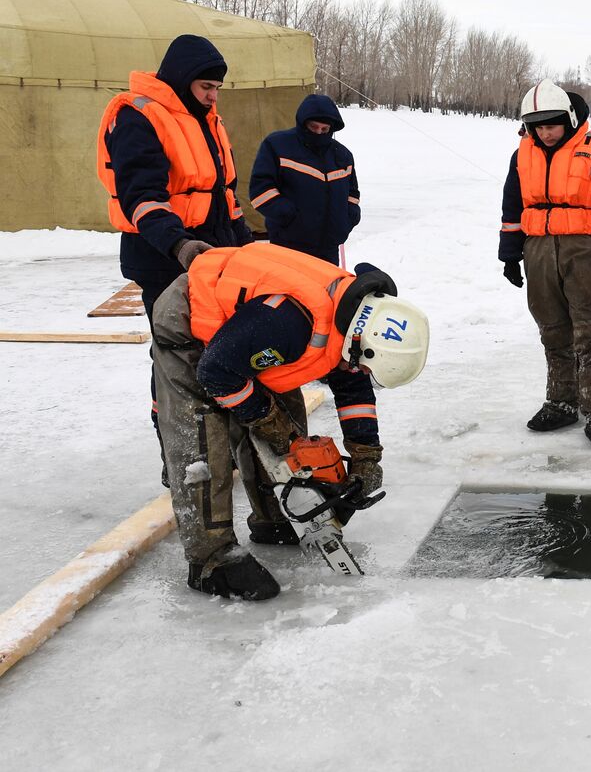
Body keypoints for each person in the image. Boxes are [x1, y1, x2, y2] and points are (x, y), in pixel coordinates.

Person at [149, 243, 429, 600]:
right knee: (206, 441)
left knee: (287, 419)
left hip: (248, 333)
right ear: (363, 346)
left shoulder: (356, 322)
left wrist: (365, 456)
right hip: (192, 322)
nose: (360, 373)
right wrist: (266, 419)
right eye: (364, 366)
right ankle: (210, 561)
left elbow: (352, 386)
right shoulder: (290, 321)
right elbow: (216, 372)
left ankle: (274, 519)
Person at [97, 34, 255, 481]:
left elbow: (224, 195)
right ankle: (178, 454)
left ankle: (221, 440)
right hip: (166, 259)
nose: (213, 95)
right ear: (184, 80)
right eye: (207, 86)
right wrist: (179, 245)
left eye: (217, 89)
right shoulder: (138, 117)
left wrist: (243, 246)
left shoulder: (206, 119)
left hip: (214, 259)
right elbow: (142, 197)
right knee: (175, 361)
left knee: (219, 353)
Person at [499, 80, 591, 449]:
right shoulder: (521, 154)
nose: (545, 132)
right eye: (537, 126)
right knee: (553, 330)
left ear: (569, 119)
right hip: (538, 250)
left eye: (552, 125)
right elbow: (513, 207)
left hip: (583, 250)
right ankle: (561, 401)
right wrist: (510, 253)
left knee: (590, 330)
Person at [249, 95, 362, 264]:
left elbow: (352, 194)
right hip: (288, 247)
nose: (318, 133)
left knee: (325, 291)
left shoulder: (342, 155)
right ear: (303, 123)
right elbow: (260, 190)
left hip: (328, 249)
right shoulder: (277, 145)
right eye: (313, 127)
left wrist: (347, 219)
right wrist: (290, 218)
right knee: (290, 291)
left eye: (324, 130)